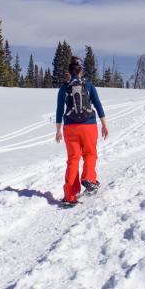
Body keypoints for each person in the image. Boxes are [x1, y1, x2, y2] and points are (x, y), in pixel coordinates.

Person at [55, 57, 108, 205]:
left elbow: (59, 110)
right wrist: (104, 124)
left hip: (70, 127)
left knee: (73, 160)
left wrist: (58, 130)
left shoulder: (64, 88)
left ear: (68, 72)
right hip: (89, 126)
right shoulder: (89, 86)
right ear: (81, 71)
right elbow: (97, 105)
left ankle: (70, 196)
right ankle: (88, 178)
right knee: (90, 154)